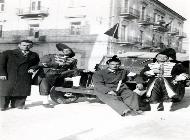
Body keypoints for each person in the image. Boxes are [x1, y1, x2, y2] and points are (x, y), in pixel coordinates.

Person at [0, 40, 40, 111]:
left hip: (24, 75)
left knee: (22, 90)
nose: (26, 47)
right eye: (24, 45)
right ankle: (3, 106)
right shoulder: (8, 53)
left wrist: (32, 68)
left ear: (31, 46)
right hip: (9, 74)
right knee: (6, 90)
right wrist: (2, 74)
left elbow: (37, 64)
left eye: (28, 45)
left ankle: (19, 105)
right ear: (19, 45)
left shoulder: (34, 55)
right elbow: (1, 64)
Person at [38, 43, 81, 108]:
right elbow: (42, 64)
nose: (66, 51)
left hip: (61, 74)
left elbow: (73, 69)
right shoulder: (52, 56)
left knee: (76, 71)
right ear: (62, 51)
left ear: (71, 52)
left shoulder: (73, 60)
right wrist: (55, 64)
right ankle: (45, 103)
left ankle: (75, 86)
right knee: (45, 87)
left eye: (68, 50)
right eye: (65, 50)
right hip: (49, 73)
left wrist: (81, 71)